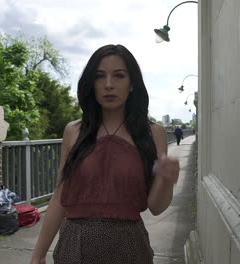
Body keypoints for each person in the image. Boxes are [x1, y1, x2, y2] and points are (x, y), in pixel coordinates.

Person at [30, 44, 180, 264]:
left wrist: (167, 180)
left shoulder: (152, 133)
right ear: (92, 83)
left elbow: (156, 207)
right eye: (100, 76)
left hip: (130, 247)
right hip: (75, 246)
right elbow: (60, 196)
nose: (109, 85)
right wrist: (38, 254)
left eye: (119, 76)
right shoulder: (74, 131)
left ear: (132, 84)